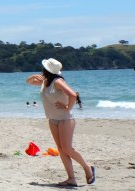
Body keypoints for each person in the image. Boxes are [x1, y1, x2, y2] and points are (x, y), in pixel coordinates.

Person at [26, 58, 94, 187]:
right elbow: (28, 82)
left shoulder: (57, 81)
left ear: (47, 70)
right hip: (52, 119)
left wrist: (68, 107)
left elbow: (73, 95)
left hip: (65, 119)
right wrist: (33, 76)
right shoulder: (45, 81)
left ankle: (87, 168)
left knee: (67, 148)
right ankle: (71, 178)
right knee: (61, 150)